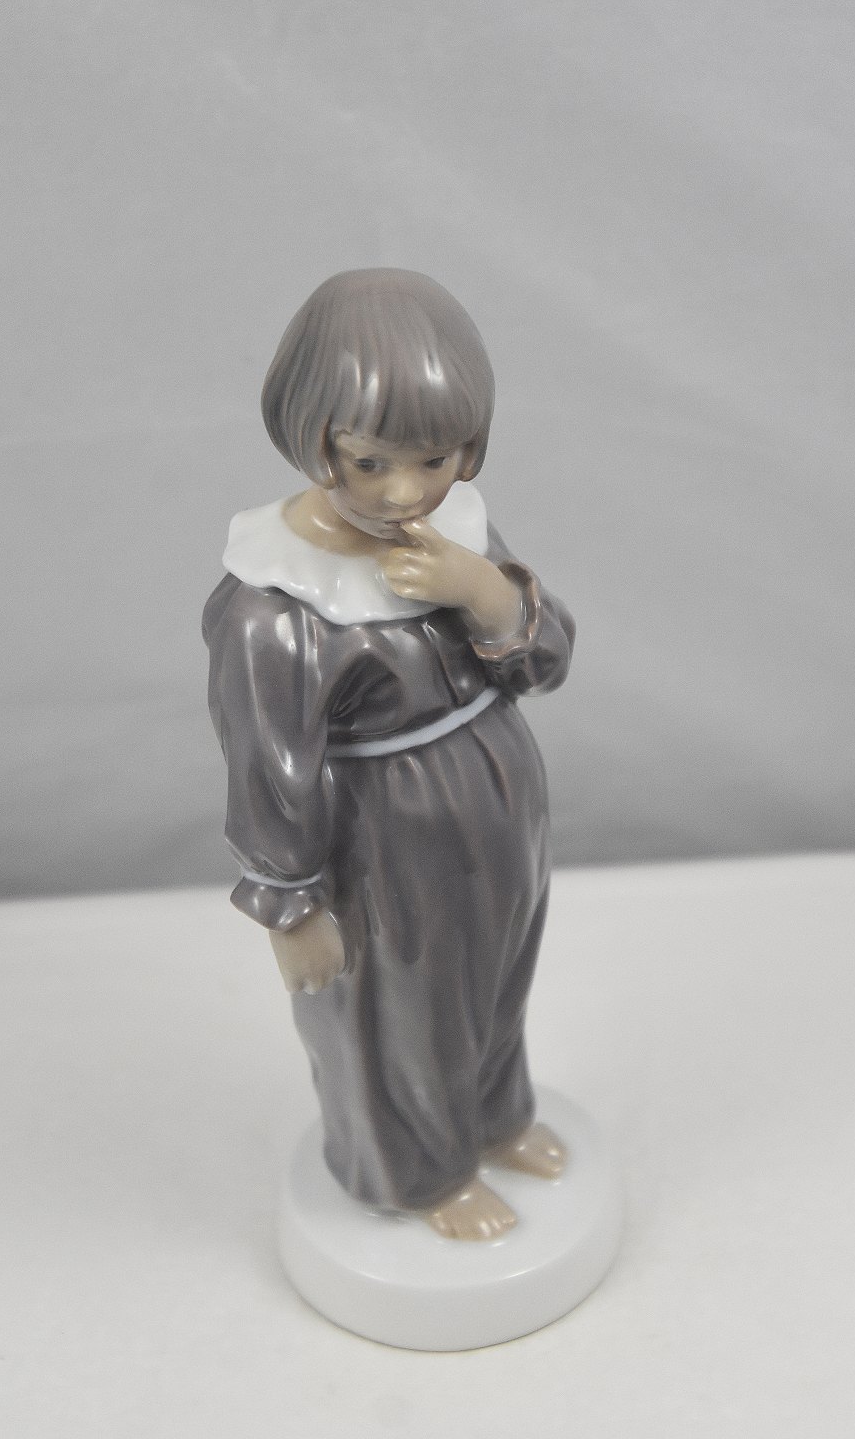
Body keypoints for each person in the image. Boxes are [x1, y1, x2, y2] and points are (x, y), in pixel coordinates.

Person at [204, 269, 575, 1240]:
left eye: (434, 460)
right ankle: (417, 1170)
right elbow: (268, 764)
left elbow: (543, 661)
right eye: (369, 462)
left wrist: (481, 590)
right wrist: (291, 906)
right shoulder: (272, 605)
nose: (405, 492)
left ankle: (493, 1115)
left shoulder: (453, 538)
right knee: (400, 1008)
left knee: (495, 974)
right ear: (314, 437)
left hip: (497, 802)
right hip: (383, 834)